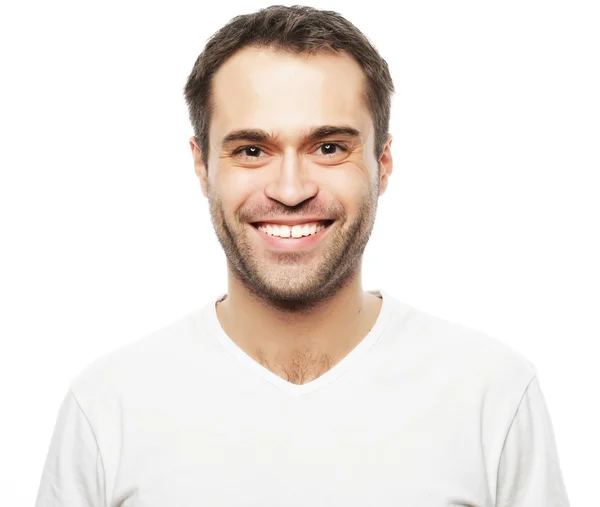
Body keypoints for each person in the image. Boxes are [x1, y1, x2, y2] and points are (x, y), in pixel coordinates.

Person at [35, 5, 570, 506]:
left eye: (329, 147)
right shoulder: (107, 408)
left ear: (383, 164)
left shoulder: (492, 393)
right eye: (251, 150)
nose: (290, 190)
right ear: (202, 168)